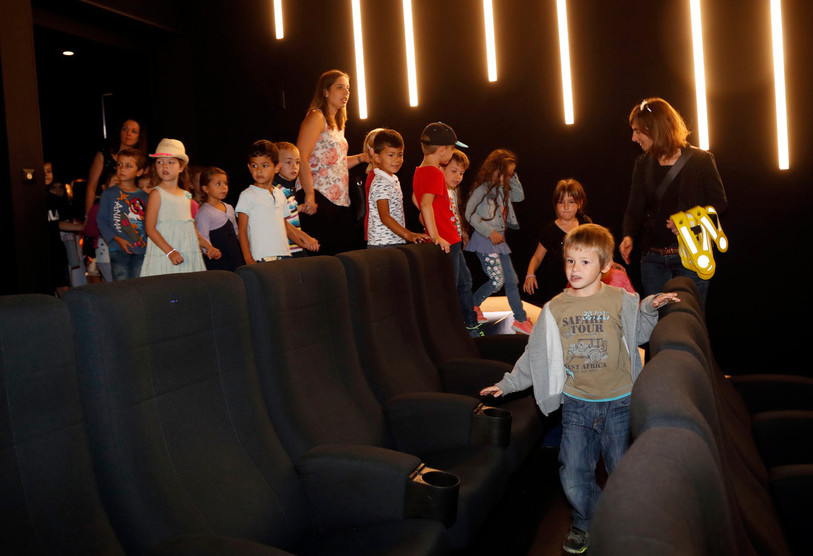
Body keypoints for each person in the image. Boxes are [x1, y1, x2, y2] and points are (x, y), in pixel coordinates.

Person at [480, 223, 679, 554]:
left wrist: (649, 307)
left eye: (585, 262)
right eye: (570, 261)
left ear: (605, 266)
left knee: (622, 469)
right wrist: (508, 383)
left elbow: (641, 334)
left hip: (619, 403)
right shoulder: (555, 308)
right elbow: (535, 354)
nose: (575, 268)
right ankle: (586, 520)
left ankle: (623, 522)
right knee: (573, 475)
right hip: (577, 406)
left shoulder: (620, 299)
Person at [620, 97, 728, 309]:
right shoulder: (642, 163)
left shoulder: (701, 160)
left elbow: (720, 203)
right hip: (652, 259)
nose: (633, 138)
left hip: (691, 258)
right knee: (656, 322)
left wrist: (689, 221)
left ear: (655, 128)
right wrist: (628, 235)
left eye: (637, 131)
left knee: (689, 320)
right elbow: (634, 206)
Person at [295, 69, 368, 255]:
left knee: (342, 254)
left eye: (348, 89)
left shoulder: (338, 124)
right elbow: (301, 155)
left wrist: (361, 158)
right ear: (326, 91)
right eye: (340, 87)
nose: (346, 93)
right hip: (319, 195)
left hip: (340, 200)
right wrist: (309, 194)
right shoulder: (316, 116)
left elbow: (337, 164)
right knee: (323, 255)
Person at [464, 149, 532, 335]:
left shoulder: (502, 189)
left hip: (499, 241)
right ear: (496, 169)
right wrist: (489, 231)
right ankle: (472, 306)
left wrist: (513, 175)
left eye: (511, 174)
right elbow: (469, 213)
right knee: (497, 281)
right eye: (507, 173)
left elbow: (519, 196)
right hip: (485, 240)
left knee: (511, 280)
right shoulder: (482, 189)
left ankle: (520, 319)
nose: (509, 177)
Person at [140, 138, 218, 276]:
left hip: (186, 252)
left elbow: (190, 229)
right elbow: (150, 229)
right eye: (160, 162)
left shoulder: (186, 196)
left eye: (171, 162)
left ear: (181, 167)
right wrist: (170, 252)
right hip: (165, 254)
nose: (164, 166)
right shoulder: (157, 194)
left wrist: (208, 247)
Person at [237, 140, 319, 264]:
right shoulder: (247, 195)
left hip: (284, 255)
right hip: (263, 257)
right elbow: (242, 231)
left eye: (264, 165)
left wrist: (303, 244)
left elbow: (284, 226)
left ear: (276, 167)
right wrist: (248, 259)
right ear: (249, 167)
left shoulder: (279, 194)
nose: (259, 170)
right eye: (254, 166)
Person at [524, 179, 591, 305]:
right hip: (556, 287)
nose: (566, 207)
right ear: (555, 205)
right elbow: (537, 257)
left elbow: (597, 251)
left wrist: (610, 263)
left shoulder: (586, 226)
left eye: (571, 202)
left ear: (579, 203)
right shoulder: (550, 231)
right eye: (561, 202)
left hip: (580, 283)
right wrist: (530, 274)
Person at [366, 129, 428, 248]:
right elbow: (384, 216)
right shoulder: (381, 182)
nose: (397, 159)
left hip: (394, 241)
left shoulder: (392, 179)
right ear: (377, 158)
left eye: (400, 155)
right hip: (383, 244)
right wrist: (408, 235)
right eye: (391, 155)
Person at [442, 148, 481, 330]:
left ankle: (470, 323)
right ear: (441, 168)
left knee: (465, 281)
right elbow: (423, 210)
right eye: (453, 171)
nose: (458, 176)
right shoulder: (439, 191)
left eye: (462, 173)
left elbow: (455, 214)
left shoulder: (453, 191)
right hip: (446, 243)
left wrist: (462, 231)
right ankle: (452, 326)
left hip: (455, 241)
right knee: (451, 284)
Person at [96, 147, 149, 280]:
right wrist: (117, 239)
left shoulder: (145, 197)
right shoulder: (109, 194)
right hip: (117, 249)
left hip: (140, 250)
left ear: (139, 172)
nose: (122, 169)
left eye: (128, 166)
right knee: (121, 284)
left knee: (139, 283)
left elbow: (149, 223)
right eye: (119, 165)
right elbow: (101, 220)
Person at [85, 119, 145, 219]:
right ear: (120, 132)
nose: (128, 134)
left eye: (133, 131)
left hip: (128, 208)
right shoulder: (104, 155)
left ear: (139, 137)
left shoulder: (142, 162)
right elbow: (91, 186)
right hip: (103, 205)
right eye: (125, 129)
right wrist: (88, 215)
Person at [196, 167, 245, 271]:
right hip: (218, 260)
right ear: (206, 188)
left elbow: (236, 231)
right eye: (218, 184)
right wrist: (210, 251)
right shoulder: (205, 212)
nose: (223, 187)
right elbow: (203, 237)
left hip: (234, 256)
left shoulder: (229, 207)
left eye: (225, 183)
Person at [273, 141, 308, 258]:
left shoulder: (289, 187)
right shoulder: (276, 190)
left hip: (294, 245)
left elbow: (287, 210)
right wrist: (303, 238)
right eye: (288, 162)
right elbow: (279, 219)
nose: (294, 166)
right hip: (286, 247)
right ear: (276, 165)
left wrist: (300, 208)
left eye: (297, 162)